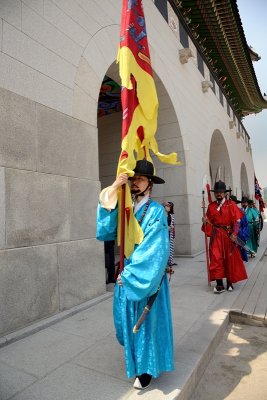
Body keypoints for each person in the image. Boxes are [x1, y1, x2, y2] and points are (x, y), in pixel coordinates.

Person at [96, 160, 174, 389]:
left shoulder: (157, 212)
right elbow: (107, 230)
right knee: (125, 321)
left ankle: (146, 368)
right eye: (132, 179)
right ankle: (136, 359)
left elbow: (155, 250)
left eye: (139, 179)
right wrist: (113, 188)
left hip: (144, 274)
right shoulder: (126, 207)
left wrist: (131, 274)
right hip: (127, 272)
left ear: (150, 183)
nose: (134, 183)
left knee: (146, 322)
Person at [202, 181, 248, 293]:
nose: (218, 194)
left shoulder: (231, 204)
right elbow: (209, 222)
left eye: (221, 192)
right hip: (216, 236)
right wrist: (205, 221)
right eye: (217, 192)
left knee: (229, 258)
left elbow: (237, 221)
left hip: (228, 235)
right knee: (216, 258)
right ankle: (219, 284)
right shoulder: (211, 206)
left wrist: (235, 234)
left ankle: (230, 283)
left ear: (224, 193)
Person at [230, 195, 250, 262]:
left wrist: (243, 234)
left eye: (233, 202)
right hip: (227, 235)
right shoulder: (226, 211)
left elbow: (245, 225)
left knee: (238, 253)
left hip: (239, 235)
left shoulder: (240, 212)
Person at [164, 201, 177, 266]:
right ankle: (165, 263)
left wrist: (173, 230)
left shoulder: (171, 216)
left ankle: (170, 262)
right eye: (168, 206)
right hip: (164, 234)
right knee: (165, 248)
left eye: (170, 206)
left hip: (170, 233)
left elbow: (173, 224)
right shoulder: (162, 215)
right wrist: (167, 227)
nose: (169, 208)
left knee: (171, 247)